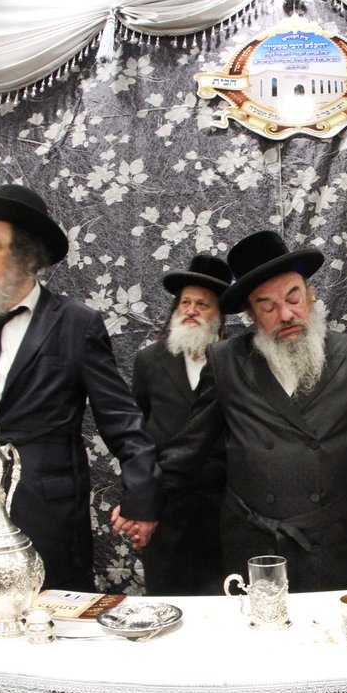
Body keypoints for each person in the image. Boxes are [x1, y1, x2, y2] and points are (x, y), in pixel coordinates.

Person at [0, 183, 162, 590]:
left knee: (45, 617)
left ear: (25, 257)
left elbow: (121, 419)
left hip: (42, 513)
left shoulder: (75, 324)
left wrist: (141, 498)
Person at [159, 230, 347, 593]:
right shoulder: (225, 361)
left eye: (293, 298)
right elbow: (188, 447)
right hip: (253, 545)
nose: (287, 315)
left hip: (332, 541)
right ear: (251, 314)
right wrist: (140, 502)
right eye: (268, 306)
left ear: (310, 294)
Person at [130, 253, 231, 595]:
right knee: (169, 597)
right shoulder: (149, 360)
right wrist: (141, 494)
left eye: (202, 304)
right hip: (167, 504)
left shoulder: (236, 360)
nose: (191, 310)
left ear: (219, 315)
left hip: (223, 507)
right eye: (185, 302)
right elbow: (137, 433)